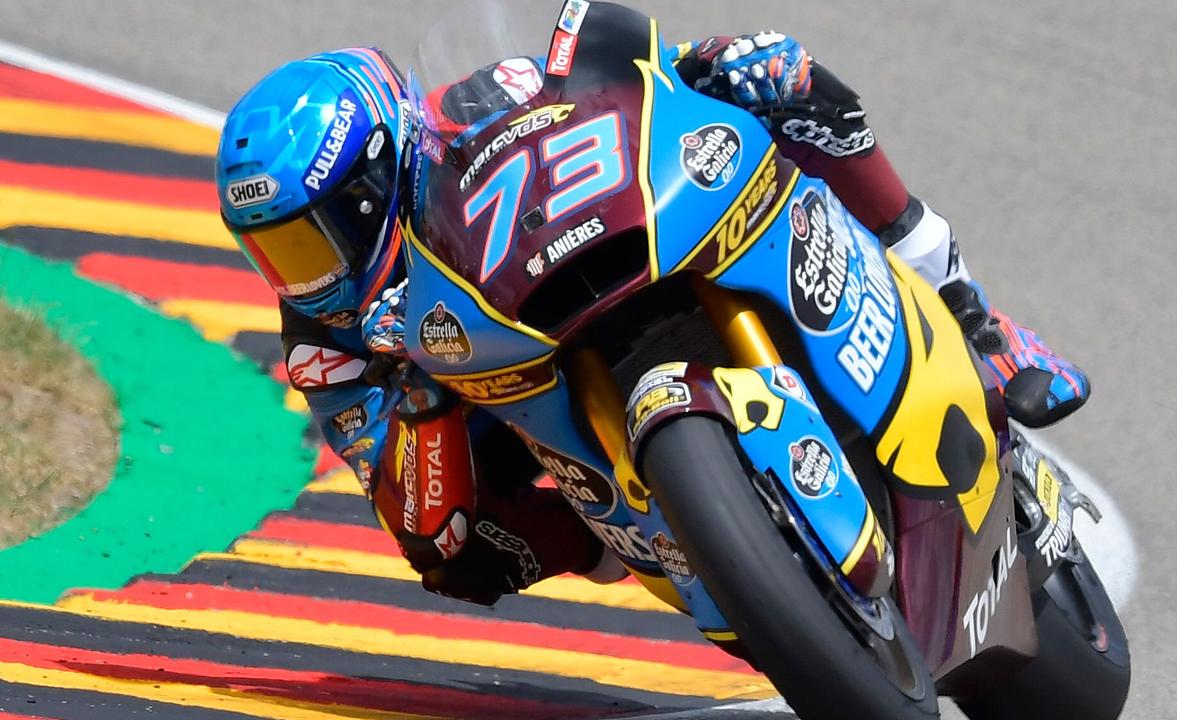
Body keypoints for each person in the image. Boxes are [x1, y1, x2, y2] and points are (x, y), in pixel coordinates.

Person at [215, 32, 1089, 606]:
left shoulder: (480, 102)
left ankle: (974, 319)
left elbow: (621, 83)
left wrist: (689, 69)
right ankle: (676, 543)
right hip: (524, 410)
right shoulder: (328, 343)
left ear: (379, 179)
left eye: (310, 240)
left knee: (769, 67)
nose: (303, 276)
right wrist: (416, 397)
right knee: (459, 559)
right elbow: (419, 519)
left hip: (615, 248)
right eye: (275, 253)